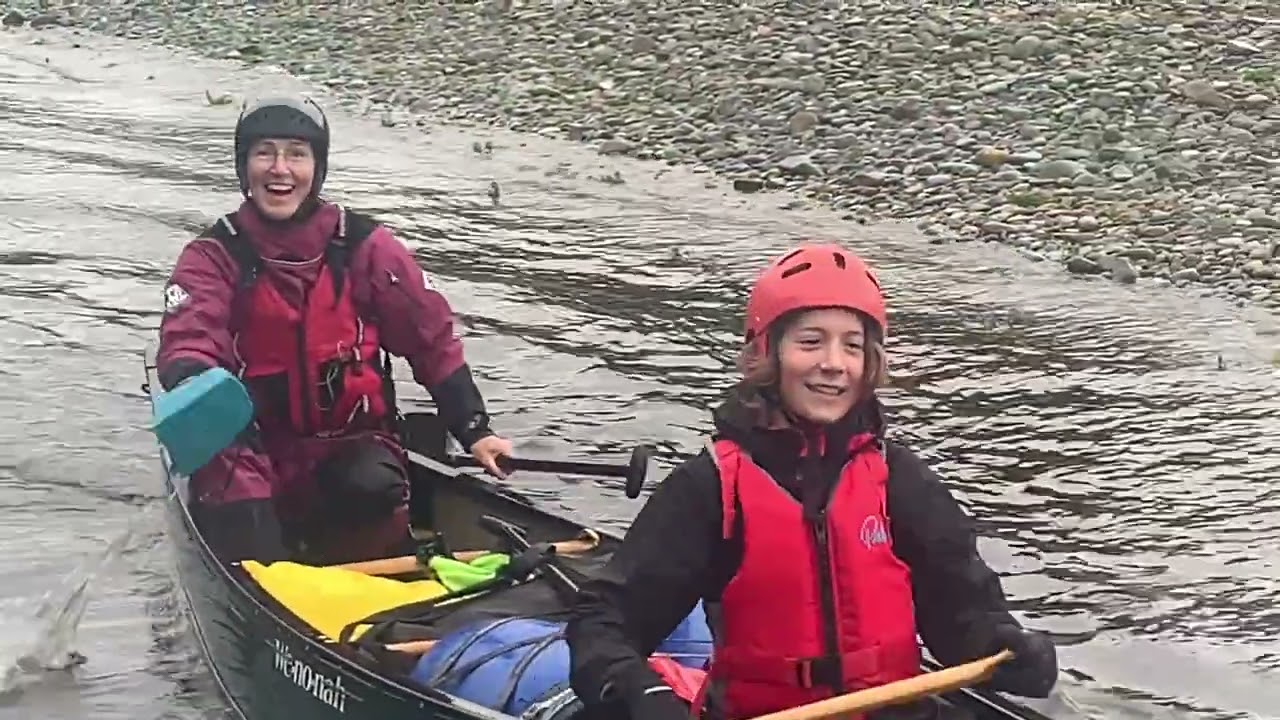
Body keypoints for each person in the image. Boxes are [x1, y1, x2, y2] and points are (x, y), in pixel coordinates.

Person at [565, 244, 1059, 720]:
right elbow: (605, 620)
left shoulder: (900, 480)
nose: (833, 363)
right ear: (767, 354)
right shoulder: (713, 488)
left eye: (853, 345)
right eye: (810, 341)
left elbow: (962, 612)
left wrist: (1001, 646)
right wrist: (636, 689)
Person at [156, 95, 513, 565]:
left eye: (297, 154)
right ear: (244, 166)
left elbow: (431, 338)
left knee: (373, 485)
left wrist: (474, 428)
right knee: (233, 493)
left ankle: (379, 585)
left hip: (348, 446)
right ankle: (264, 579)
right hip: (251, 447)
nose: (279, 169)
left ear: (316, 168)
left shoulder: (365, 247)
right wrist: (191, 382)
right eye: (264, 152)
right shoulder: (211, 256)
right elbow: (189, 336)